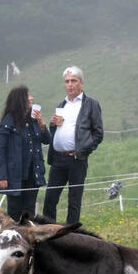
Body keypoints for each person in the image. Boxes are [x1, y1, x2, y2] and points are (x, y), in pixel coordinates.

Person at [42, 66, 104, 226]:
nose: (70, 85)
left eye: (73, 81)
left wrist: (83, 151)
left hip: (77, 159)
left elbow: (98, 134)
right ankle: (48, 235)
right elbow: (57, 131)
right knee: (50, 199)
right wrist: (53, 124)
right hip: (58, 159)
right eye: (67, 81)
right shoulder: (61, 105)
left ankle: (72, 237)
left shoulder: (90, 104)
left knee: (74, 201)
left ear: (81, 83)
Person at [0, 86, 51, 222]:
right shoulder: (8, 123)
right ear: (20, 100)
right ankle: (12, 239)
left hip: (33, 173)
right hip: (15, 175)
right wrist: (2, 176)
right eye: (28, 96)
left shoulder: (34, 120)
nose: (31, 98)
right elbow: (0, 151)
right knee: (14, 211)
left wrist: (42, 124)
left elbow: (47, 140)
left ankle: (28, 239)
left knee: (29, 211)